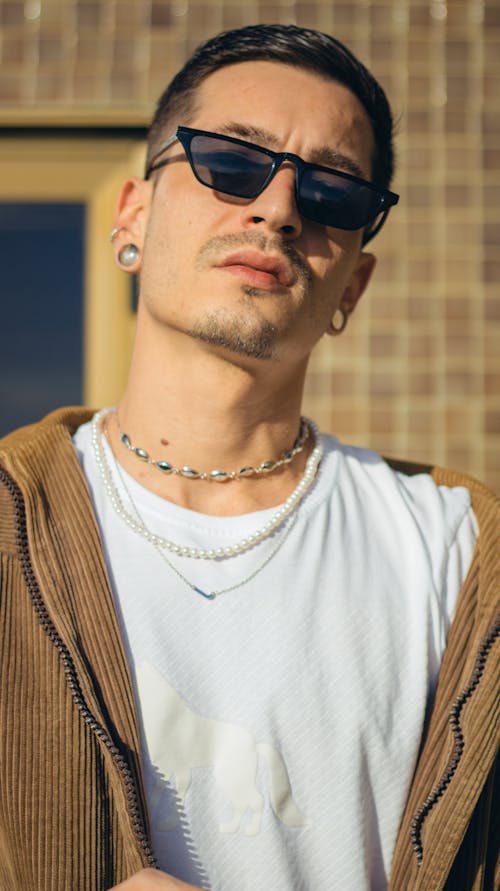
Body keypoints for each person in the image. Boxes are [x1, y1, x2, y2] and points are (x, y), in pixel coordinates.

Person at [0, 23, 497, 891]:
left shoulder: (463, 555)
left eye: (333, 189)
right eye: (232, 161)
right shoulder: (12, 523)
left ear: (355, 284)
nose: (277, 207)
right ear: (134, 217)